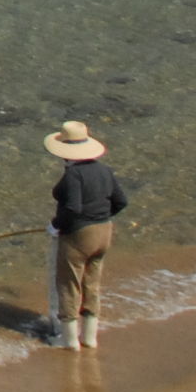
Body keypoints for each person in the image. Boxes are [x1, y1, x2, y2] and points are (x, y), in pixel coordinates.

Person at [45, 119, 127, 349]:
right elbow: (121, 201)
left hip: (79, 235)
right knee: (92, 283)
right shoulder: (104, 170)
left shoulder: (73, 175)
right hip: (104, 231)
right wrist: (100, 216)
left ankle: (69, 340)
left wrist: (56, 225)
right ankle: (90, 338)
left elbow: (72, 208)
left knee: (69, 284)